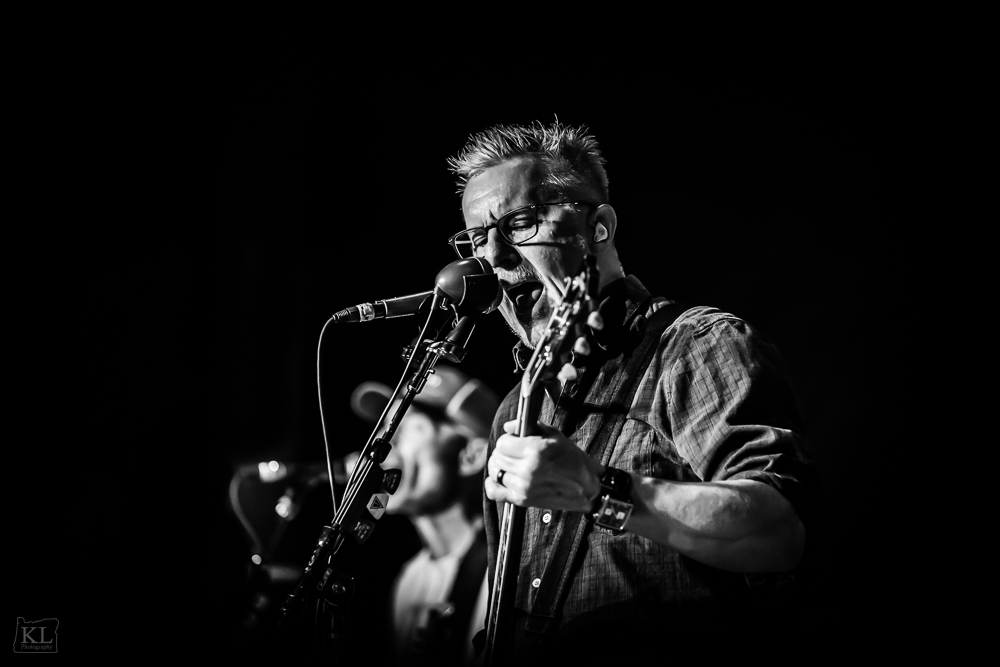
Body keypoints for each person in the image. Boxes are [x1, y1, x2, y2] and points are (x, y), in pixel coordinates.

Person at [444, 120, 823, 663]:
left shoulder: (693, 346)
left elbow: (782, 532)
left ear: (598, 226)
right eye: (478, 240)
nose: (494, 259)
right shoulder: (517, 406)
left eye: (520, 223)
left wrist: (604, 491)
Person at [349, 362, 501, 666]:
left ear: (470, 455)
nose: (380, 447)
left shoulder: (506, 571)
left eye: (404, 429)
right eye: (383, 429)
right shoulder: (408, 581)